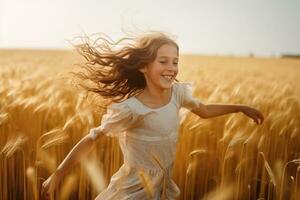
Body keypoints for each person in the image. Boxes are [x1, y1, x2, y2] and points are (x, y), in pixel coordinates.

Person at [41, 31, 264, 200]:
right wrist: (58, 174)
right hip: (132, 190)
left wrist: (240, 107)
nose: (172, 68)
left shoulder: (177, 94)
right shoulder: (131, 109)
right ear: (143, 67)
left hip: (162, 187)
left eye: (175, 61)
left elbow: (204, 111)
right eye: (163, 61)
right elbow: (92, 138)